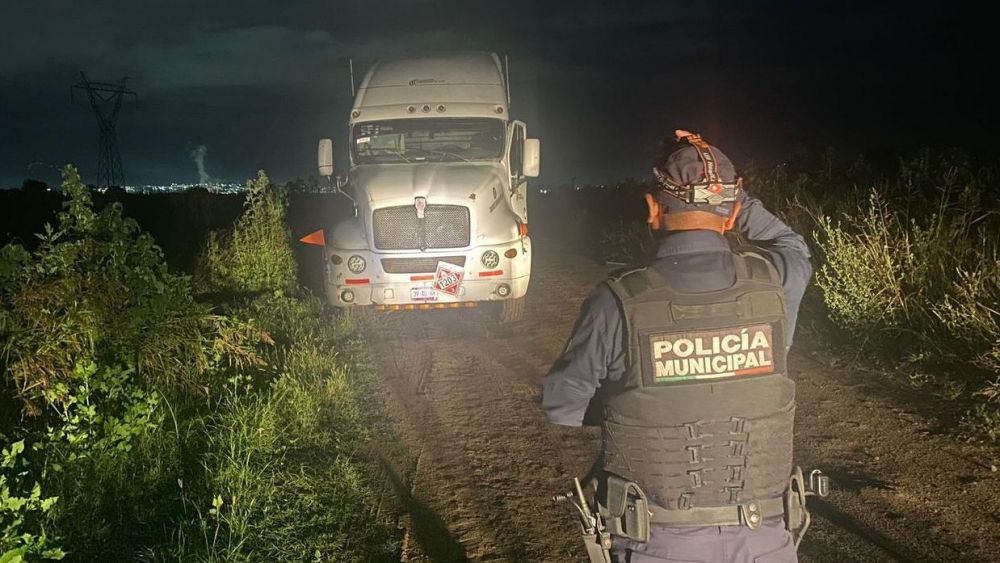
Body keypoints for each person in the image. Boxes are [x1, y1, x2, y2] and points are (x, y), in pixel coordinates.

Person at [543, 130, 813, 562]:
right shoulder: (777, 281)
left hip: (658, 542)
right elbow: (792, 246)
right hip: (767, 540)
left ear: (653, 209)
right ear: (733, 213)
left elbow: (563, 405)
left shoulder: (617, 300)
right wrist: (732, 196)